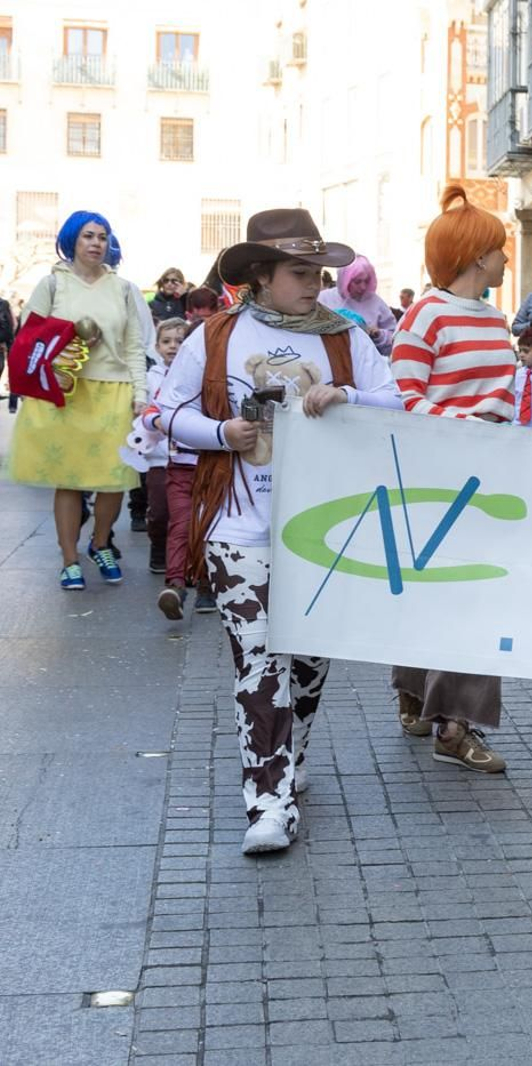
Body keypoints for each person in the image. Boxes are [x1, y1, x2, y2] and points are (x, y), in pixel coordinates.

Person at [155, 207, 402, 854]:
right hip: (240, 524)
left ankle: (290, 757)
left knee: (311, 662)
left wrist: (348, 397)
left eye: (320, 271)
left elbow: (397, 400)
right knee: (260, 660)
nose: (316, 282)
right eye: (300, 271)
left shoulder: (345, 336)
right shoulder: (213, 335)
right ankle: (268, 802)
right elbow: (166, 413)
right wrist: (222, 434)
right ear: (261, 276)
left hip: (325, 527)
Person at [388, 184, 518, 774]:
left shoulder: (495, 317)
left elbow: (507, 397)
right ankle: (451, 725)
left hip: (487, 474)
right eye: (497, 247)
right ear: (473, 254)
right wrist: (471, 423)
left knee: (465, 594)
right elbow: (405, 399)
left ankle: (420, 697)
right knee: (464, 597)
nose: (505, 256)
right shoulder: (424, 316)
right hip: (433, 476)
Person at [8, 210, 147, 591]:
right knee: (68, 481)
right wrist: (63, 350)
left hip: (114, 391)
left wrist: (142, 393)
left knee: (114, 480)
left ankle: (100, 544)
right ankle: (69, 560)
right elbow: (29, 341)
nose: (96, 243)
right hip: (65, 393)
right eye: (88, 236)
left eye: (102, 236)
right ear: (72, 240)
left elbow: (135, 346)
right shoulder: (53, 284)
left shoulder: (122, 288)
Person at [140, 317, 209, 618]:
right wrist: (160, 421)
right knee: (180, 526)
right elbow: (151, 413)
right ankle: (175, 586)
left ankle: (207, 587)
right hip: (181, 465)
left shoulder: (226, 377)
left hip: (216, 467)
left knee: (209, 528)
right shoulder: (174, 379)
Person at [140, 319, 184, 601]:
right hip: (157, 456)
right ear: (157, 347)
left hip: (185, 453)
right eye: (167, 342)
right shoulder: (152, 376)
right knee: (159, 511)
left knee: (181, 514)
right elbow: (144, 405)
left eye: (179, 341)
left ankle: (180, 559)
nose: (173, 347)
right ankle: (158, 546)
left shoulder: (192, 373)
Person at [317, 255, 398, 356]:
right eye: (357, 281)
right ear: (345, 280)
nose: (363, 287)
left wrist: (379, 335)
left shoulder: (376, 302)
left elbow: (395, 336)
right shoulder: (323, 299)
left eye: (366, 281)